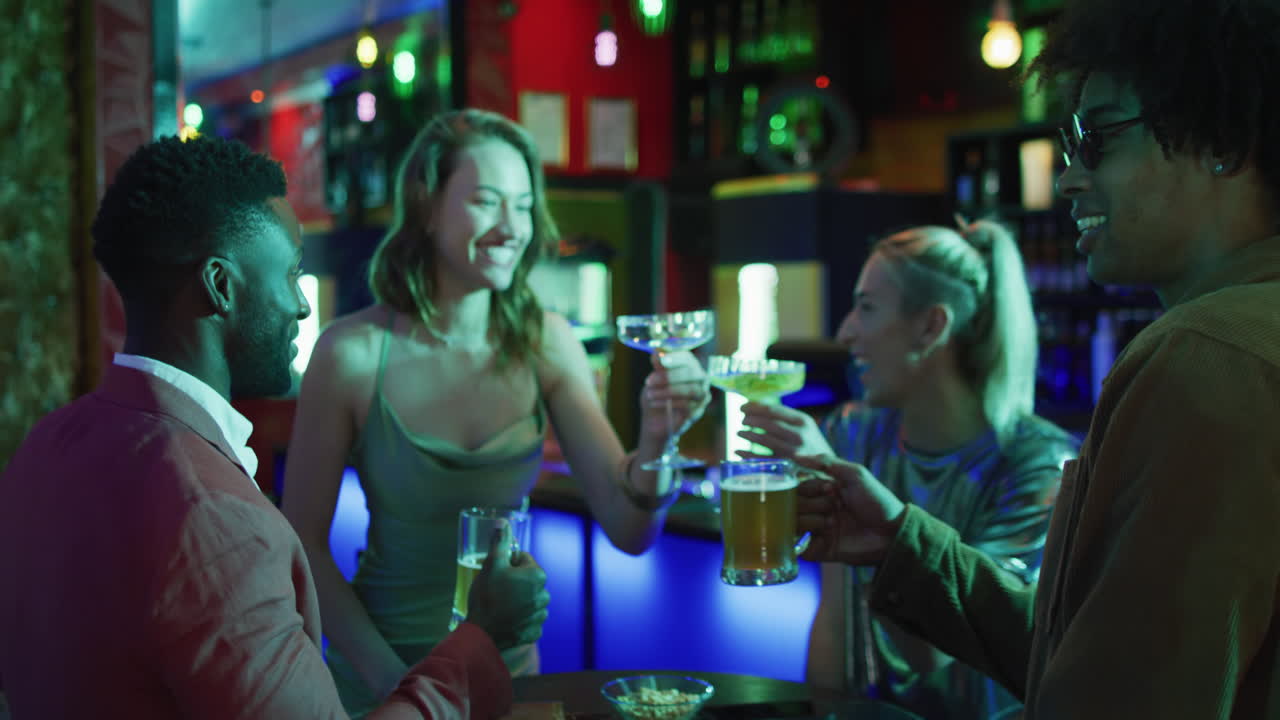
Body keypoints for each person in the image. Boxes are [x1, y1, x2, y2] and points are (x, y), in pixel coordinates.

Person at [793, 0, 1280, 717]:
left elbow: (1118, 703)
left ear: (1222, 139)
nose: (1069, 178)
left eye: (1101, 139)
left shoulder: (1203, 354)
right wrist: (904, 546)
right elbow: (1098, 657)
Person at [0, 135, 549, 720]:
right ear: (221, 285)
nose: (302, 305)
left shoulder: (46, 444)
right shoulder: (219, 518)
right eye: (290, 274)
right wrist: (483, 637)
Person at [280, 108, 710, 716]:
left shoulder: (546, 341)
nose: (513, 227)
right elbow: (303, 543)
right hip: (382, 680)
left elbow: (630, 529)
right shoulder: (352, 352)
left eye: (524, 204)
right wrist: (396, 686)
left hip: (506, 683)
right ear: (428, 208)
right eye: (486, 201)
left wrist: (660, 439)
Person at [742, 219, 1078, 719]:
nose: (845, 331)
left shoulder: (1039, 467)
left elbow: (935, 653)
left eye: (867, 307)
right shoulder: (854, 432)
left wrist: (870, 521)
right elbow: (835, 621)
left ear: (931, 326)